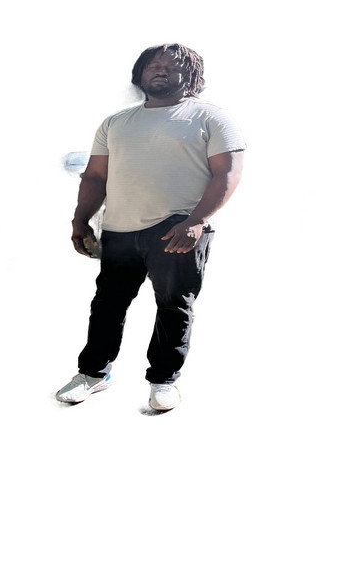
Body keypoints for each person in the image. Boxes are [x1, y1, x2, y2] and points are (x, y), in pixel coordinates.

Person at [56, 43, 246, 411]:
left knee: (173, 305)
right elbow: (95, 176)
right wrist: (80, 221)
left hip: (178, 227)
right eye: (153, 65)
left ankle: (163, 380)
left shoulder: (210, 118)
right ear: (140, 73)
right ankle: (93, 374)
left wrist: (196, 221)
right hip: (119, 228)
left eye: (171, 65)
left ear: (191, 75)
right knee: (107, 305)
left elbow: (228, 173)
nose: (160, 69)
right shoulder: (115, 123)